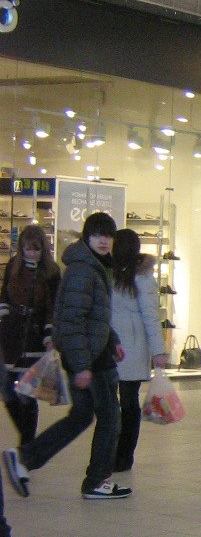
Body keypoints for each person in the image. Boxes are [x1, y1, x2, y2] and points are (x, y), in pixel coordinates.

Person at [3, 212, 129, 500]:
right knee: (110, 417)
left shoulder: (94, 266)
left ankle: (24, 458)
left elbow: (93, 316)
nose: (103, 240)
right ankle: (96, 481)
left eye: (108, 235)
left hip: (91, 352)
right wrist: (83, 365)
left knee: (82, 416)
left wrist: (112, 339)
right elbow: (71, 320)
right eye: (97, 235)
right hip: (91, 358)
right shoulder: (84, 270)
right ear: (87, 237)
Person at [110, 231, 168, 473]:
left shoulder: (140, 277)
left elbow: (151, 316)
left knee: (127, 401)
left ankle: (123, 455)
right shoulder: (111, 272)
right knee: (118, 402)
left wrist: (158, 351)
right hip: (115, 344)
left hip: (130, 345)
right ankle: (117, 454)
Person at [0, 225, 62, 444]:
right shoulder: (13, 266)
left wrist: (49, 335)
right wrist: (5, 314)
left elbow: (53, 306)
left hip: (35, 337)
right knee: (7, 389)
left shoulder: (51, 272)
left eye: (36, 249)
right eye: (28, 249)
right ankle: (28, 441)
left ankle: (27, 443)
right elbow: (5, 296)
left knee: (26, 392)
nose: (32, 253)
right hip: (11, 335)